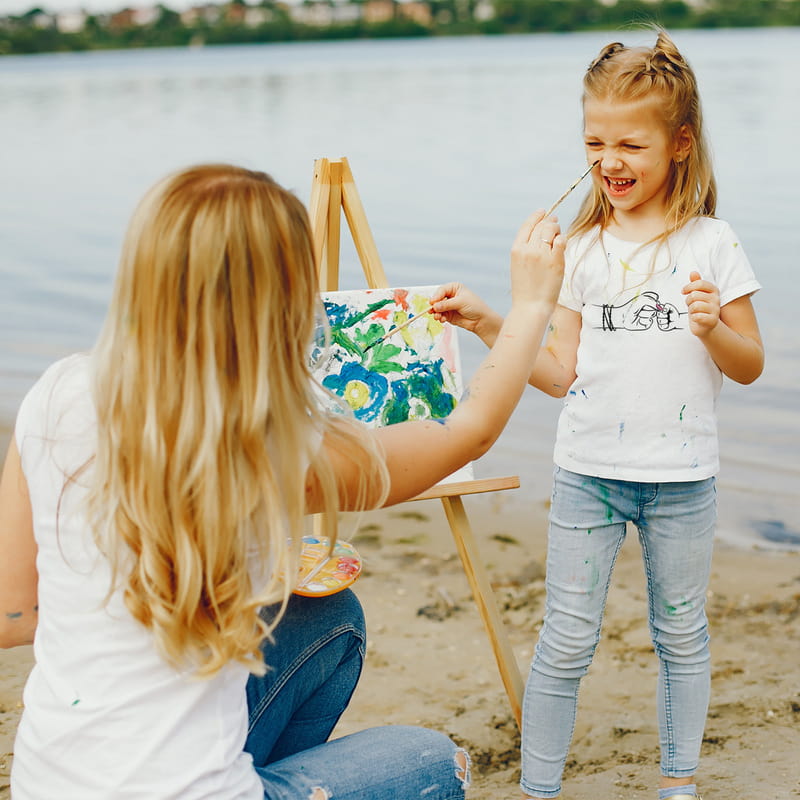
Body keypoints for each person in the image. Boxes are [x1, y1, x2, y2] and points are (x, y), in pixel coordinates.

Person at [0, 163, 565, 800]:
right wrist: (532, 303)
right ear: (283, 296)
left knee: (327, 620)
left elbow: (12, 615)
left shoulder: (57, 390)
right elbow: (470, 431)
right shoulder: (265, 442)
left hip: (47, 784)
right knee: (433, 762)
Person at [430, 30, 763, 800]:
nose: (609, 161)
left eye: (630, 144)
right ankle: (537, 789)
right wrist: (489, 321)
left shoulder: (713, 243)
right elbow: (555, 376)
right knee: (567, 638)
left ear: (680, 144)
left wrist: (714, 329)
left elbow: (751, 367)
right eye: (594, 141)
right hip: (587, 476)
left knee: (681, 635)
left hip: (683, 480)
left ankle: (678, 787)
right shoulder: (577, 248)